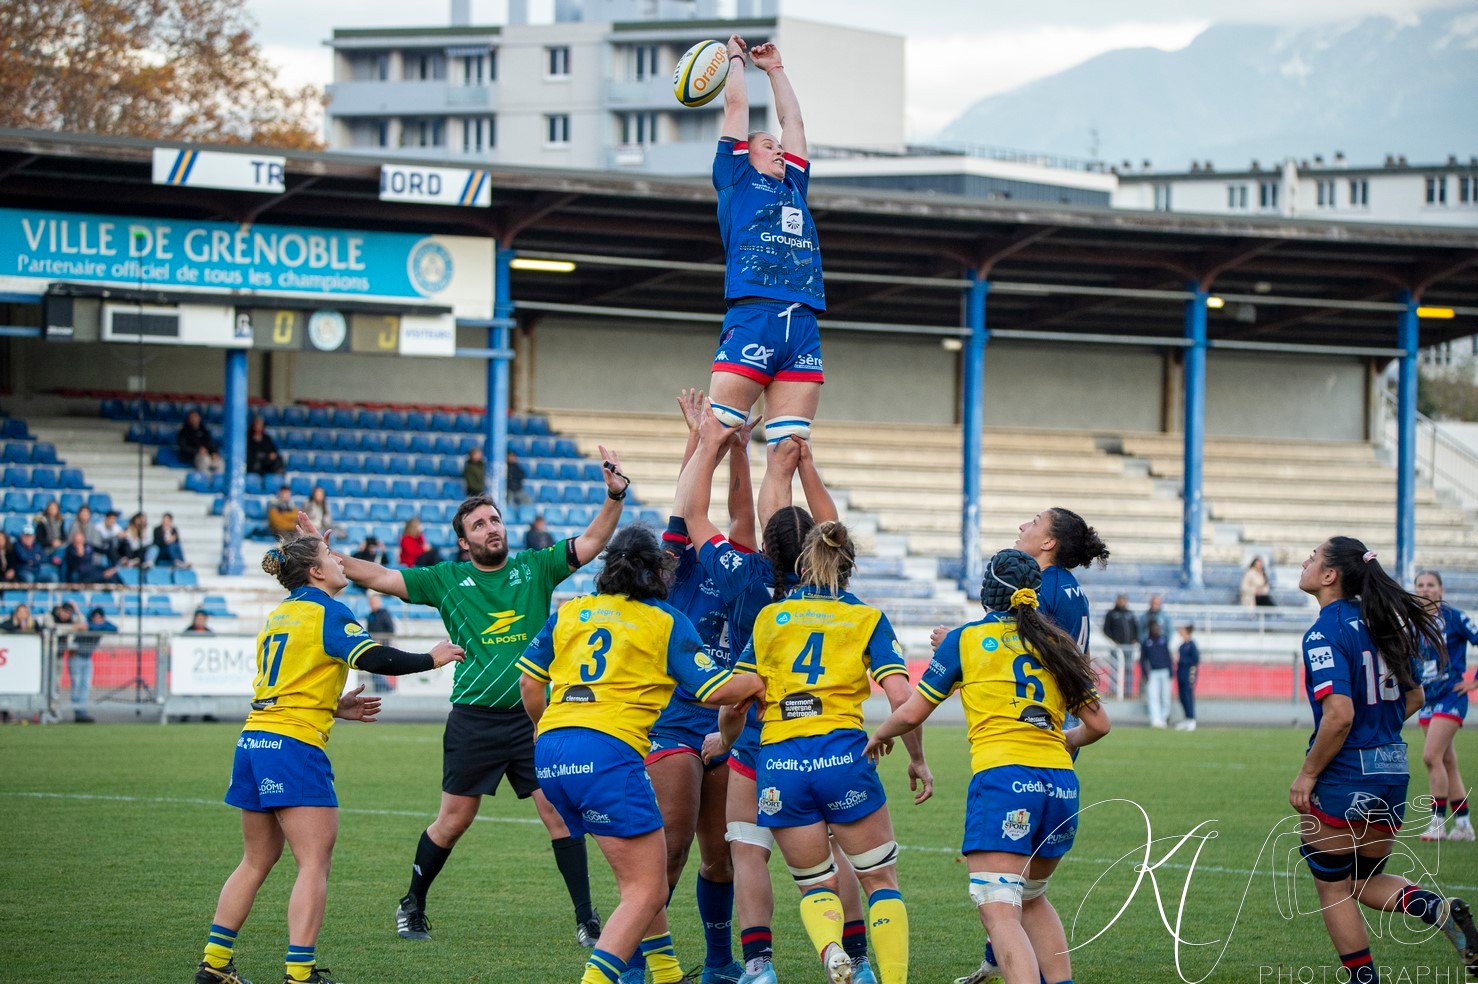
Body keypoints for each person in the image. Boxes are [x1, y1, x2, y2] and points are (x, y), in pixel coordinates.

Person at [295, 444, 630, 947]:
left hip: (536, 718)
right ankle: (412, 902)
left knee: (558, 813)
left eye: (494, 520)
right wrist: (323, 557)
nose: (491, 528)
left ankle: (587, 919)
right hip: (475, 719)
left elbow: (592, 540)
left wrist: (614, 495)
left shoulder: (536, 566)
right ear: (463, 540)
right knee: (453, 821)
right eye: (479, 525)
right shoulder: (446, 579)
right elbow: (379, 576)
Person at [193, 533, 463, 984]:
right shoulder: (329, 611)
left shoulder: (280, 614)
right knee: (313, 862)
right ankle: (300, 973)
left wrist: (332, 707)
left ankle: (215, 964)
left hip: (255, 741)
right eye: (329, 557)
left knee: (255, 860)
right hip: (294, 746)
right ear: (316, 572)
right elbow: (374, 657)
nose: (340, 562)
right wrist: (430, 658)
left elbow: (284, 684)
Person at [517, 524, 766, 984]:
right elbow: (714, 690)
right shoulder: (663, 620)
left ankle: (667, 974)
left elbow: (530, 682)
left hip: (552, 752)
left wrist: (539, 727)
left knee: (644, 877)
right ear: (658, 571)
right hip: (608, 752)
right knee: (647, 890)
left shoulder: (572, 611)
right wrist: (759, 681)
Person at [868, 548, 1110, 984]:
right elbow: (1099, 724)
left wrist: (880, 734)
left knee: (999, 910)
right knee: (1032, 898)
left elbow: (912, 711)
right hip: (1061, 785)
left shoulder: (965, 639)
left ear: (987, 592)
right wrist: (1066, 739)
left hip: (1005, 780)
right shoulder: (1057, 643)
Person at [676, 404, 840, 984]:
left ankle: (758, 965)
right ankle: (857, 957)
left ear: (766, 544)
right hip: (821, 735)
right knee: (833, 859)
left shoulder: (743, 575)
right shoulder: (831, 584)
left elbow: (694, 512)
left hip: (753, 736)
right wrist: (799, 464)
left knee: (747, 850)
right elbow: (827, 526)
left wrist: (710, 444)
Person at [731, 520, 930, 984]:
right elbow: (902, 698)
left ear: (803, 564)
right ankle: (888, 978)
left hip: (780, 763)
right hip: (843, 757)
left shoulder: (771, 617)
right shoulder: (867, 618)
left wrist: (725, 737)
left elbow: (736, 697)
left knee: (815, 883)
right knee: (880, 880)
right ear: (849, 568)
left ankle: (831, 948)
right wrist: (916, 758)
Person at [1291, 538, 1477, 983]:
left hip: (1344, 775)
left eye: (1313, 557)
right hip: (1392, 771)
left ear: (1330, 575)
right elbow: (1415, 696)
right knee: (1360, 881)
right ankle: (1437, 909)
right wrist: (1378, 731)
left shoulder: (1323, 632)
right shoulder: (1385, 624)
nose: (1305, 561)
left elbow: (1339, 715)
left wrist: (1308, 773)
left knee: (1334, 888)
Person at [943, 507, 1109, 984]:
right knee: (1028, 888)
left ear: (1049, 543)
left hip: (1029, 740)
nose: (1022, 527)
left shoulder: (1045, 588)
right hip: (1057, 741)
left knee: (1007, 888)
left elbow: (1021, 653)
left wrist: (957, 647)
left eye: (1034, 522)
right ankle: (1001, 955)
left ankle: (1006, 954)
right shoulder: (1071, 588)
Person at [636, 390, 759, 984]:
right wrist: (701, 441)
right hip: (675, 724)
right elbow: (686, 506)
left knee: (720, 858)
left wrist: (739, 450)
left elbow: (743, 517)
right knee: (672, 849)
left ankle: (717, 964)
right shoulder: (678, 565)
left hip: (727, 725)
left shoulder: (743, 569)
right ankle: (632, 964)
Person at [709, 34, 827, 467]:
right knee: (715, 436)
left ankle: (779, 522)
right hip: (754, 314)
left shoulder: (793, 185)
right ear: (746, 154)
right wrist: (735, 60)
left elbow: (793, 121)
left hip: (802, 321)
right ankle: (679, 515)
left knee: (789, 451)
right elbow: (736, 107)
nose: (779, 150)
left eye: (779, 148)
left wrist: (775, 69)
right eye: (768, 146)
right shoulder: (736, 178)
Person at [1413, 570, 1478, 842]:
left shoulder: (1455, 617)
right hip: (1428, 698)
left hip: (1451, 696)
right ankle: (1463, 826)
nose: (1425, 589)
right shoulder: (1414, 622)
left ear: (1441, 590)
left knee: (1431, 756)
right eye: (1420, 585)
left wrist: (1474, 681)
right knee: (1446, 761)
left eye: (1431, 585)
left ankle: (1437, 823)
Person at [71, 607, 117, 723]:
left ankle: (82, 711)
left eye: (100, 617)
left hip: (87, 658)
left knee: (85, 686)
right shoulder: (88, 623)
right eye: (96, 617)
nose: (98, 619)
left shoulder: (97, 625)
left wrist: (96, 625)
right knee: (76, 685)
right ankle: (77, 710)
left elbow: (114, 628)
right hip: (76, 657)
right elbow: (90, 626)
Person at [1102, 593, 1139, 691]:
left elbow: (1135, 627)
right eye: (1121, 600)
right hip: (1116, 646)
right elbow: (1106, 629)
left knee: (1129, 668)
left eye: (1124, 600)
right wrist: (1113, 640)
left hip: (1129, 646)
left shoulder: (1130, 613)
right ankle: (1114, 690)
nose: (1122, 602)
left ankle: (1128, 691)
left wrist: (1135, 639)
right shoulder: (1111, 613)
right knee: (1115, 668)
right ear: (1117, 601)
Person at [1141, 620, 1172, 729]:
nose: (1156, 630)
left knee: (1165, 696)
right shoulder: (1146, 642)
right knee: (1153, 696)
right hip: (1153, 672)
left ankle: (1164, 718)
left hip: (1165, 671)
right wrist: (1145, 673)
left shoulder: (1163, 640)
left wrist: (1171, 671)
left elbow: (1168, 656)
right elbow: (1143, 659)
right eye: (1154, 627)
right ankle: (1155, 719)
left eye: (1157, 627)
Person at [365, 593, 397, 694]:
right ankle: (382, 689)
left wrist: (382, 641)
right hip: (373, 646)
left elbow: (391, 630)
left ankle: (388, 688)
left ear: (379, 602)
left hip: (383, 646)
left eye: (374, 602)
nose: (372, 604)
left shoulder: (384, 614)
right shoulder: (370, 615)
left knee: (376, 668)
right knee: (373, 669)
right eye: (371, 602)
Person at [178, 409, 224, 475]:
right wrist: (198, 451)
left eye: (196, 417)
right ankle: (205, 479)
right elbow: (184, 448)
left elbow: (210, 443)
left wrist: (214, 452)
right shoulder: (183, 432)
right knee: (205, 460)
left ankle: (218, 479)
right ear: (188, 419)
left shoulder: (204, 430)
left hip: (207, 455)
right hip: (193, 457)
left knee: (219, 462)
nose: (194, 419)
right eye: (192, 417)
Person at [1175, 624, 1200, 732]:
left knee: (1188, 696)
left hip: (1188, 673)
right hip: (1181, 673)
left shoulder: (1192, 645)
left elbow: (1195, 659)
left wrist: (1181, 660)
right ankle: (1186, 718)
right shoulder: (1182, 646)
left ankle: (1192, 719)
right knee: (1182, 696)